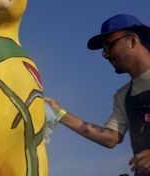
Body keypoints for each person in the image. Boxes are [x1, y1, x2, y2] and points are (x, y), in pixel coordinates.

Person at [46, 14, 150, 176]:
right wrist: (59, 112)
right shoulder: (123, 95)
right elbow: (111, 138)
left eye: (109, 46)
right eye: (103, 50)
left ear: (132, 40)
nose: (106, 55)